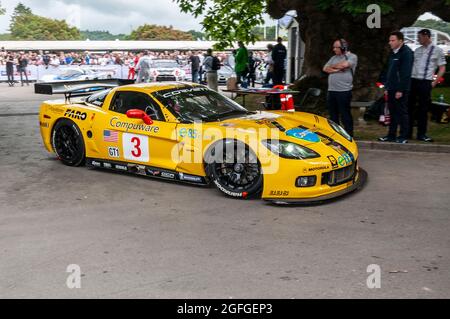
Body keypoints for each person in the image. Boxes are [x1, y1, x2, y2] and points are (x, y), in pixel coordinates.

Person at [408, 29, 447, 142]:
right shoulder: (417, 50)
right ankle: (408, 133)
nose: (418, 39)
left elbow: (442, 67)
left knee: (423, 109)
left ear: (426, 36)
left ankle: (422, 134)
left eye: (419, 37)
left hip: (425, 82)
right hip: (413, 81)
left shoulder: (437, 50)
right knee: (409, 107)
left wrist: (434, 82)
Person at [378, 31, 414, 144]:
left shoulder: (406, 53)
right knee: (392, 112)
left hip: (400, 89)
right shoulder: (393, 53)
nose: (390, 42)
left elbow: (406, 73)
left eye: (393, 40)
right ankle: (391, 135)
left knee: (401, 112)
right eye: (390, 40)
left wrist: (401, 89)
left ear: (401, 41)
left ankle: (403, 136)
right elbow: (389, 71)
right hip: (391, 88)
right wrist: (387, 87)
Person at [323, 38, 358, 137]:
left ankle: (349, 135)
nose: (334, 49)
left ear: (343, 48)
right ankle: (336, 135)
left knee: (345, 114)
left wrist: (333, 67)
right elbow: (325, 68)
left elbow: (345, 65)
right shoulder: (334, 58)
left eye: (336, 47)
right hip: (332, 91)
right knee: (333, 115)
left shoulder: (352, 57)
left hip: (344, 91)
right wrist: (336, 69)